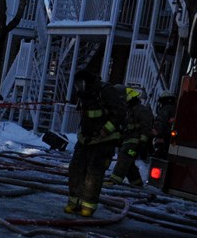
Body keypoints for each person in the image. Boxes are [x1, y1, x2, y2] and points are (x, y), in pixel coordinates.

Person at [65, 69, 127, 216]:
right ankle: (74, 202)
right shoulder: (86, 95)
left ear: (87, 82)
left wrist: (106, 130)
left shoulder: (106, 91)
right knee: (75, 169)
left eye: (80, 84)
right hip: (86, 139)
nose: (78, 88)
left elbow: (120, 113)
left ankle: (88, 205)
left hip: (103, 140)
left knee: (94, 174)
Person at [108, 87, 154, 187]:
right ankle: (136, 183)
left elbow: (146, 127)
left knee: (124, 157)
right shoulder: (129, 110)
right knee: (129, 161)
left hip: (135, 143)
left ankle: (114, 180)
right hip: (128, 141)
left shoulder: (142, 110)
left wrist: (142, 142)